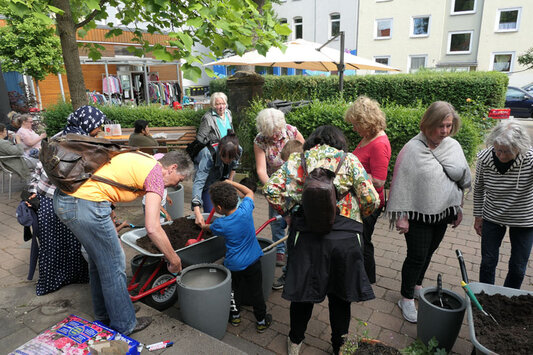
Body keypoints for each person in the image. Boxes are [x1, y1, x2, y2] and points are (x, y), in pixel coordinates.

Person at [264, 125, 380, 355]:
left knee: (302, 293)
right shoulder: (349, 160)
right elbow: (372, 199)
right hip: (345, 238)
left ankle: (295, 342)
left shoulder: (298, 160)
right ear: (339, 141)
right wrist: (356, 216)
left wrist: (293, 207)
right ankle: (339, 346)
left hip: (306, 236)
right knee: (340, 296)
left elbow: (270, 190)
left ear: (311, 142)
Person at [54, 148, 194, 336]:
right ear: (172, 168)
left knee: (99, 262)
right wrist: (174, 259)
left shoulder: (147, 159)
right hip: (85, 204)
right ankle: (124, 323)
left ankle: (108, 313)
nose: (177, 184)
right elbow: (153, 227)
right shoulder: (156, 176)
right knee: (114, 264)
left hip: (70, 200)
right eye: (180, 179)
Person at [386, 101, 471, 323]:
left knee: (429, 253)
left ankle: (416, 286)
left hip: (443, 212)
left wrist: (458, 207)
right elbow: (401, 184)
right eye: (440, 126)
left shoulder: (452, 146)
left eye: (449, 126)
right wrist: (402, 216)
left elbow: (461, 181)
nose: (445, 131)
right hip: (418, 214)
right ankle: (405, 298)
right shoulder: (412, 149)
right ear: (428, 124)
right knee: (416, 256)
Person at [27, 105, 108, 296]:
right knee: (52, 243)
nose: (100, 129)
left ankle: (73, 276)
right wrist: (32, 191)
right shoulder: (76, 143)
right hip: (53, 198)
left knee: (71, 240)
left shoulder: (62, 136)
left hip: (61, 197)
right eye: (98, 125)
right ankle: (52, 282)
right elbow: (41, 168)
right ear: (88, 124)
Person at [200, 180, 273, 333]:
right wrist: (231, 182)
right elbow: (249, 193)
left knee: (234, 290)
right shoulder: (245, 210)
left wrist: (202, 224)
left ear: (219, 208)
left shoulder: (221, 224)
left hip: (233, 265)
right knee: (257, 292)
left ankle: (235, 316)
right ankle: (261, 321)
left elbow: (209, 228)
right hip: (253, 261)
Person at [474, 120, 533, 289]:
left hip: (524, 219)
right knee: (488, 262)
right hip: (493, 215)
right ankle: (485, 296)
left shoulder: (529, 159)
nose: (501, 155)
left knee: (518, 267)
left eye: (507, 151)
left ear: (519, 148)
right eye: (498, 150)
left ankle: (509, 298)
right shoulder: (485, 158)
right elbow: (478, 188)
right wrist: (478, 216)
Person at [344, 96, 391, 284]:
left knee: (362, 240)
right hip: (360, 199)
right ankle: (363, 276)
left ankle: (365, 279)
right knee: (360, 238)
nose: (354, 129)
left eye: (356, 124)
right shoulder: (368, 136)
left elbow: (379, 181)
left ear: (366, 121)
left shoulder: (379, 143)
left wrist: (354, 174)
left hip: (369, 203)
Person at [254, 108, 305, 273]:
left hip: (296, 185)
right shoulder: (260, 140)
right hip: (275, 185)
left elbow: (307, 155)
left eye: (277, 132)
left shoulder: (291, 131)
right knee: (277, 221)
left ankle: (293, 250)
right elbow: (261, 170)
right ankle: (280, 252)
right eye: (271, 133)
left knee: (294, 220)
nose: (275, 136)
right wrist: (274, 190)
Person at [192, 132, 241, 226]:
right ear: (220, 151)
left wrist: (230, 182)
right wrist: (197, 211)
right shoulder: (208, 154)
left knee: (233, 211)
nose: (227, 161)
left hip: (223, 178)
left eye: (230, 158)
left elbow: (234, 166)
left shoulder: (238, 150)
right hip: (207, 181)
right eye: (224, 157)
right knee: (213, 215)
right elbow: (199, 182)